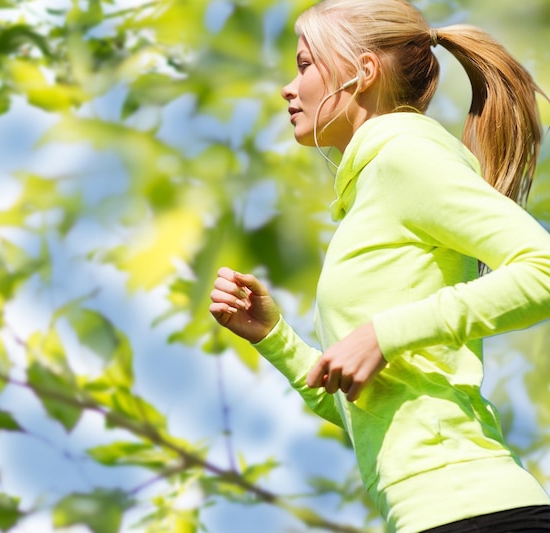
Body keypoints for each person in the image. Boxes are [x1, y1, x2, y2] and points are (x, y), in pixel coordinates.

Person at [209, 0, 550, 531]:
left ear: (363, 73)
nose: (288, 88)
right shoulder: (372, 187)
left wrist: (384, 335)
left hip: (477, 509)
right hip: (427, 516)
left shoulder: (404, 159)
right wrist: (275, 338)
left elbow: (542, 269)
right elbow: (368, 408)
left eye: (305, 65)